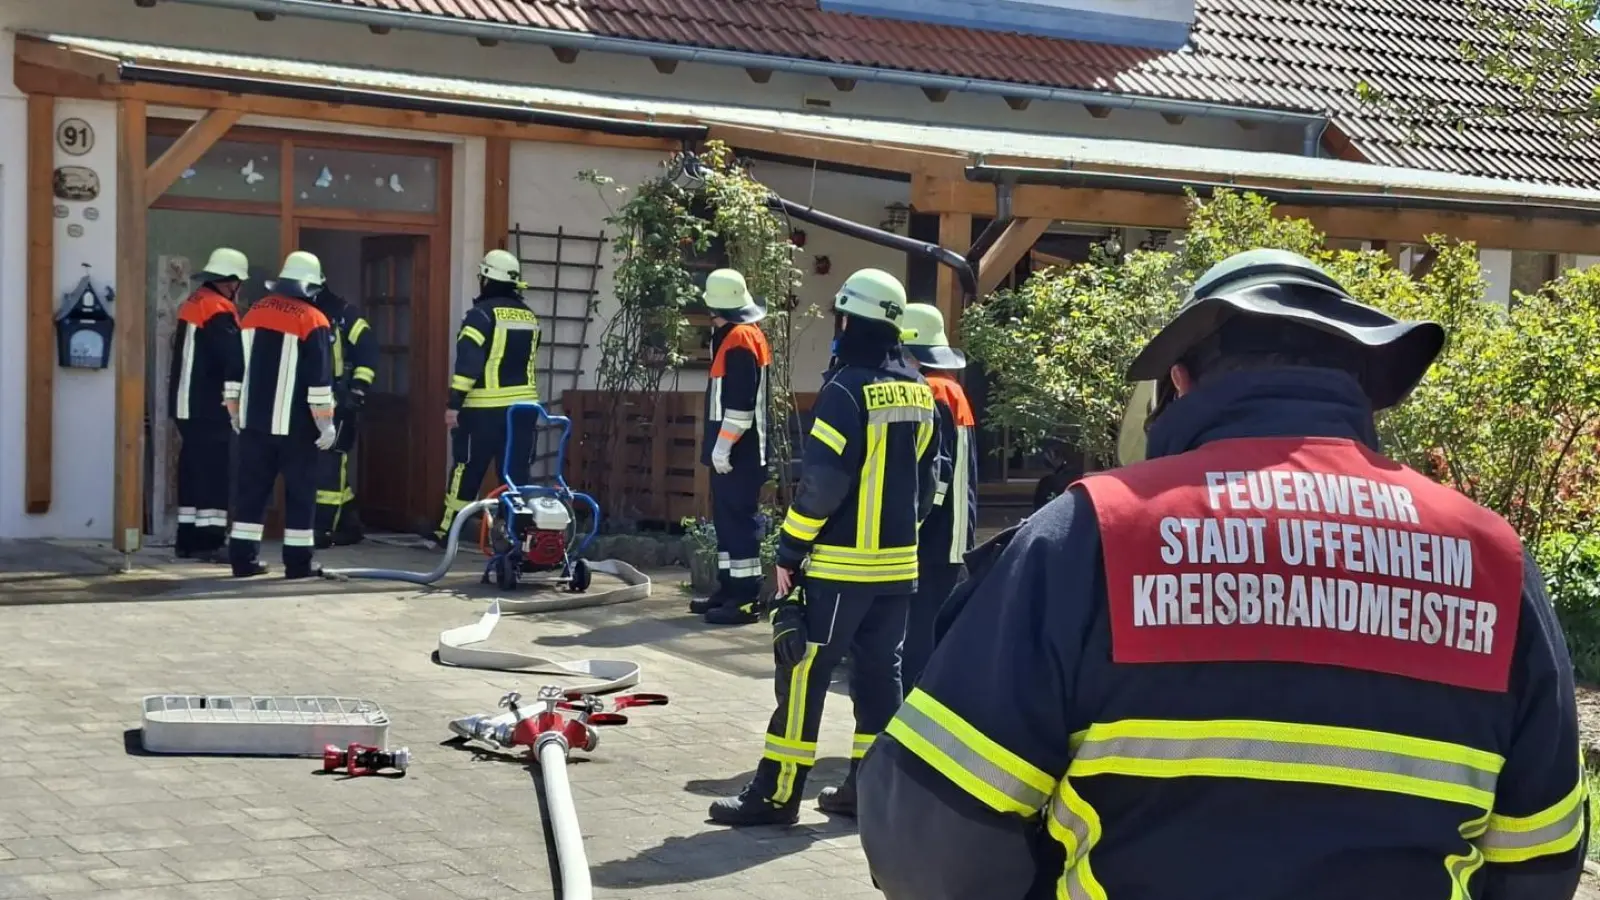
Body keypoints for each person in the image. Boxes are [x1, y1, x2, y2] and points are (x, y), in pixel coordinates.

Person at [856, 249, 1587, 900]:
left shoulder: (1092, 536)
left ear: (1178, 379)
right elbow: (1541, 855)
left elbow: (931, 836)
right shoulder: (1493, 559)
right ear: (1363, 388)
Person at [708, 268, 941, 827]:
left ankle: (775, 794)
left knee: (803, 671)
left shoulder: (843, 391)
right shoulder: (919, 391)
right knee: (879, 678)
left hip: (840, 568)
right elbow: (929, 487)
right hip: (897, 568)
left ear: (847, 320)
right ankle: (869, 792)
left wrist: (789, 551)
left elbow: (822, 486)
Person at [225, 251, 338, 579]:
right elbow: (319, 383)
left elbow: (234, 371)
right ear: (311, 287)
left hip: (253, 425)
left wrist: (234, 411)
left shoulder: (253, 313)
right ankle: (298, 564)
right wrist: (326, 425)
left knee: (250, 494)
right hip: (298, 429)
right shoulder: (313, 320)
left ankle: (242, 561)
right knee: (300, 496)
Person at [434, 249, 539, 545]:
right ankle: (514, 537)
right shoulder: (529, 317)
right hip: (524, 411)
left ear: (486, 279)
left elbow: (468, 364)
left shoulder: (480, 316)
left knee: (466, 471)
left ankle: (449, 533)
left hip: (483, 411)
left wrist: (454, 404)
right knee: (516, 476)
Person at [897, 303, 976, 692]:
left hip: (934, 534)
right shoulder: (950, 389)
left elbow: (935, 476)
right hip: (953, 532)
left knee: (920, 631)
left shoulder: (933, 393)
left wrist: (910, 525)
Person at [695, 269, 774, 625]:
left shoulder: (740, 340)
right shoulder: (736, 336)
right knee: (727, 523)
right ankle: (729, 588)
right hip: (735, 452)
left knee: (738, 525)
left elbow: (740, 407)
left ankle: (744, 599)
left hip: (739, 453)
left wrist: (723, 447)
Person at [168, 247, 248, 563]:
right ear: (231, 282)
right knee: (214, 474)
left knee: (192, 470)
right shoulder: (219, 310)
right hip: (209, 407)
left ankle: (187, 539)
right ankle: (210, 541)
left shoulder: (195, 302)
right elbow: (233, 360)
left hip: (186, 405)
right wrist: (236, 406)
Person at [310, 279, 377, 548]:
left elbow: (368, 349)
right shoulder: (303, 311)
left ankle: (322, 528)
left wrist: (358, 389)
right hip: (310, 398)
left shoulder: (344, 314)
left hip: (339, 401)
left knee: (330, 464)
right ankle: (349, 524)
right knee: (324, 465)